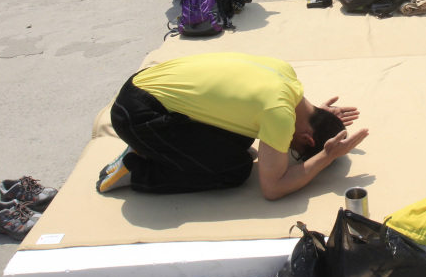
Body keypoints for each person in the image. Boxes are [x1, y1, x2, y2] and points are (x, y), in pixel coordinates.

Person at [95, 52, 369, 200]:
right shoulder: (279, 113)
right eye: (295, 152)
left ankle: (155, 146)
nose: (288, 151)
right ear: (308, 140)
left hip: (145, 85)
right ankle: (137, 168)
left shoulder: (286, 76)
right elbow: (272, 190)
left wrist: (322, 119)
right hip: (136, 115)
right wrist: (327, 155)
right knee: (234, 170)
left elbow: (262, 101)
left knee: (243, 139)